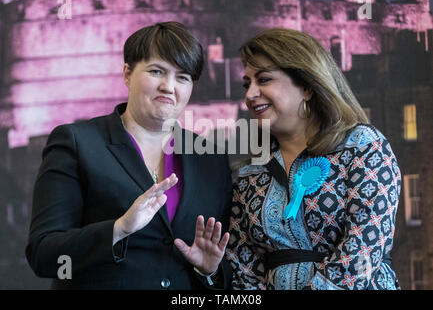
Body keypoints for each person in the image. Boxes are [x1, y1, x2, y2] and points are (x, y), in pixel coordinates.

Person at [25, 22, 232, 290]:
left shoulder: (210, 159)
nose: (169, 86)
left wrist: (209, 271)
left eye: (183, 77)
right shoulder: (77, 143)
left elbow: (225, 266)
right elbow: (43, 256)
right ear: (127, 74)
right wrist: (118, 229)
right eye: (157, 71)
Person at [225, 28, 401, 290]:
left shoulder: (363, 146)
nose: (250, 94)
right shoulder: (249, 175)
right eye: (246, 84)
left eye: (263, 80)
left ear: (306, 86)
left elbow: (364, 247)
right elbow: (243, 266)